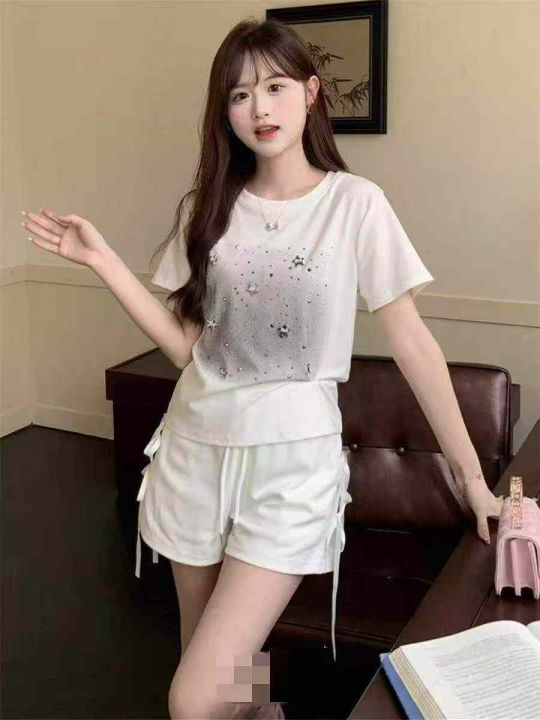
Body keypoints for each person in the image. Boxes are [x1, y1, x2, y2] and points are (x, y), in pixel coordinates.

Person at [22, 16, 504, 720]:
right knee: (221, 676)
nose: (260, 108)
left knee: (192, 699)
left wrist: (472, 481)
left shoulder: (354, 204)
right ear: (225, 112)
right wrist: (102, 261)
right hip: (192, 455)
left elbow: (415, 347)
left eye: (275, 87)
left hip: (290, 468)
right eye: (240, 95)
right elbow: (187, 348)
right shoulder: (208, 208)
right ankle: (264, 711)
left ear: (310, 93)